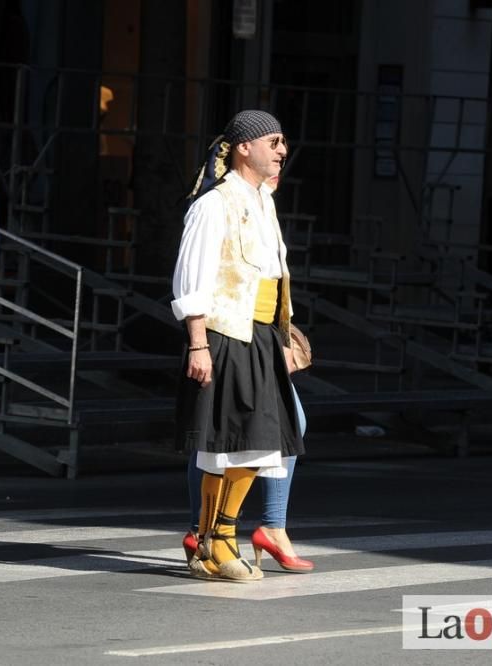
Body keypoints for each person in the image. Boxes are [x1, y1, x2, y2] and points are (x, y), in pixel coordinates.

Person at [172, 110, 304, 582]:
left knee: (259, 444)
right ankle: (214, 541)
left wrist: (284, 337)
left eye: (283, 141)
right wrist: (198, 344)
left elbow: (273, 277)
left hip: (262, 336)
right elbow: (192, 276)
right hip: (226, 333)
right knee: (223, 446)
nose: (282, 150)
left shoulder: (262, 201)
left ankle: (219, 535)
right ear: (244, 147)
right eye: (274, 141)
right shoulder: (215, 203)